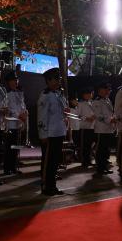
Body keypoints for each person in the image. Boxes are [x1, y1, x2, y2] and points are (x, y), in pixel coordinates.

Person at [37, 67, 68, 195]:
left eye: (58, 79)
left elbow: (63, 110)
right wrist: (43, 135)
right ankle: (46, 186)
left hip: (59, 132)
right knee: (48, 162)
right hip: (49, 133)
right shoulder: (45, 96)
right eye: (55, 79)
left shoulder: (58, 94)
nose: (58, 81)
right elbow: (41, 117)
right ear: (48, 81)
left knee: (55, 161)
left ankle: (52, 185)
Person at [4, 71, 27, 175]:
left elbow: (23, 106)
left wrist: (24, 113)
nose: (15, 82)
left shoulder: (20, 93)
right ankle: (7, 167)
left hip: (19, 124)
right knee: (9, 147)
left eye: (16, 80)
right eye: (13, 80)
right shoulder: (6, 94)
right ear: (9, 82)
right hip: (10, 124)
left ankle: (14, 166)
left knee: (17, 146)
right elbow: (8, 109)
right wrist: (18, 115)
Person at [93, 82, 115, 175]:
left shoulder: (107, 100)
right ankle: (99, 168)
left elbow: (110, 113)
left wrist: (113, 120)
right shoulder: (97, 101)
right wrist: (110, 120)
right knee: (100, 150)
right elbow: (99, 116)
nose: (108, 91)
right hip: (101, 129)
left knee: (106, 149)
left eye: (109, 90)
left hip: (109, 129)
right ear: (100, 90)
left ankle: (104, 166)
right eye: (106, 89)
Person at [77, 89, 96, 168]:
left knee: (91, 145)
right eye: (87, 94)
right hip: (85, 127)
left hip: (93, 127)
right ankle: (84, 162)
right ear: (84, 95)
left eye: (90, 94)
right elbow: (78, 115)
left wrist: (94, 116)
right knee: (85, 146)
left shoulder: (93, 103)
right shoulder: (80, 103)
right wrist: (87, 118)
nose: (89, 95)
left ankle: (89, 160)